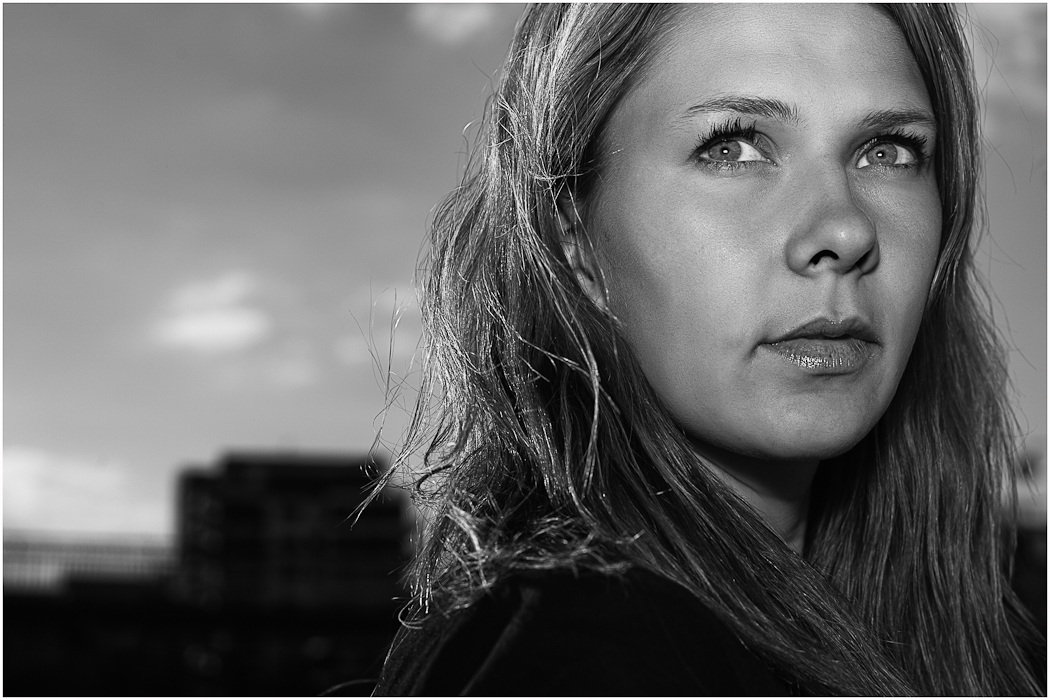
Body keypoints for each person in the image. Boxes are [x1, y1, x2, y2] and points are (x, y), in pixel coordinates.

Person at [365, 4, 1045, 695]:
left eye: (888, 151)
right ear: (576, 244)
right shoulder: (588, 655)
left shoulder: (923, 615)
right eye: (733, 148)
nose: (845, 231)